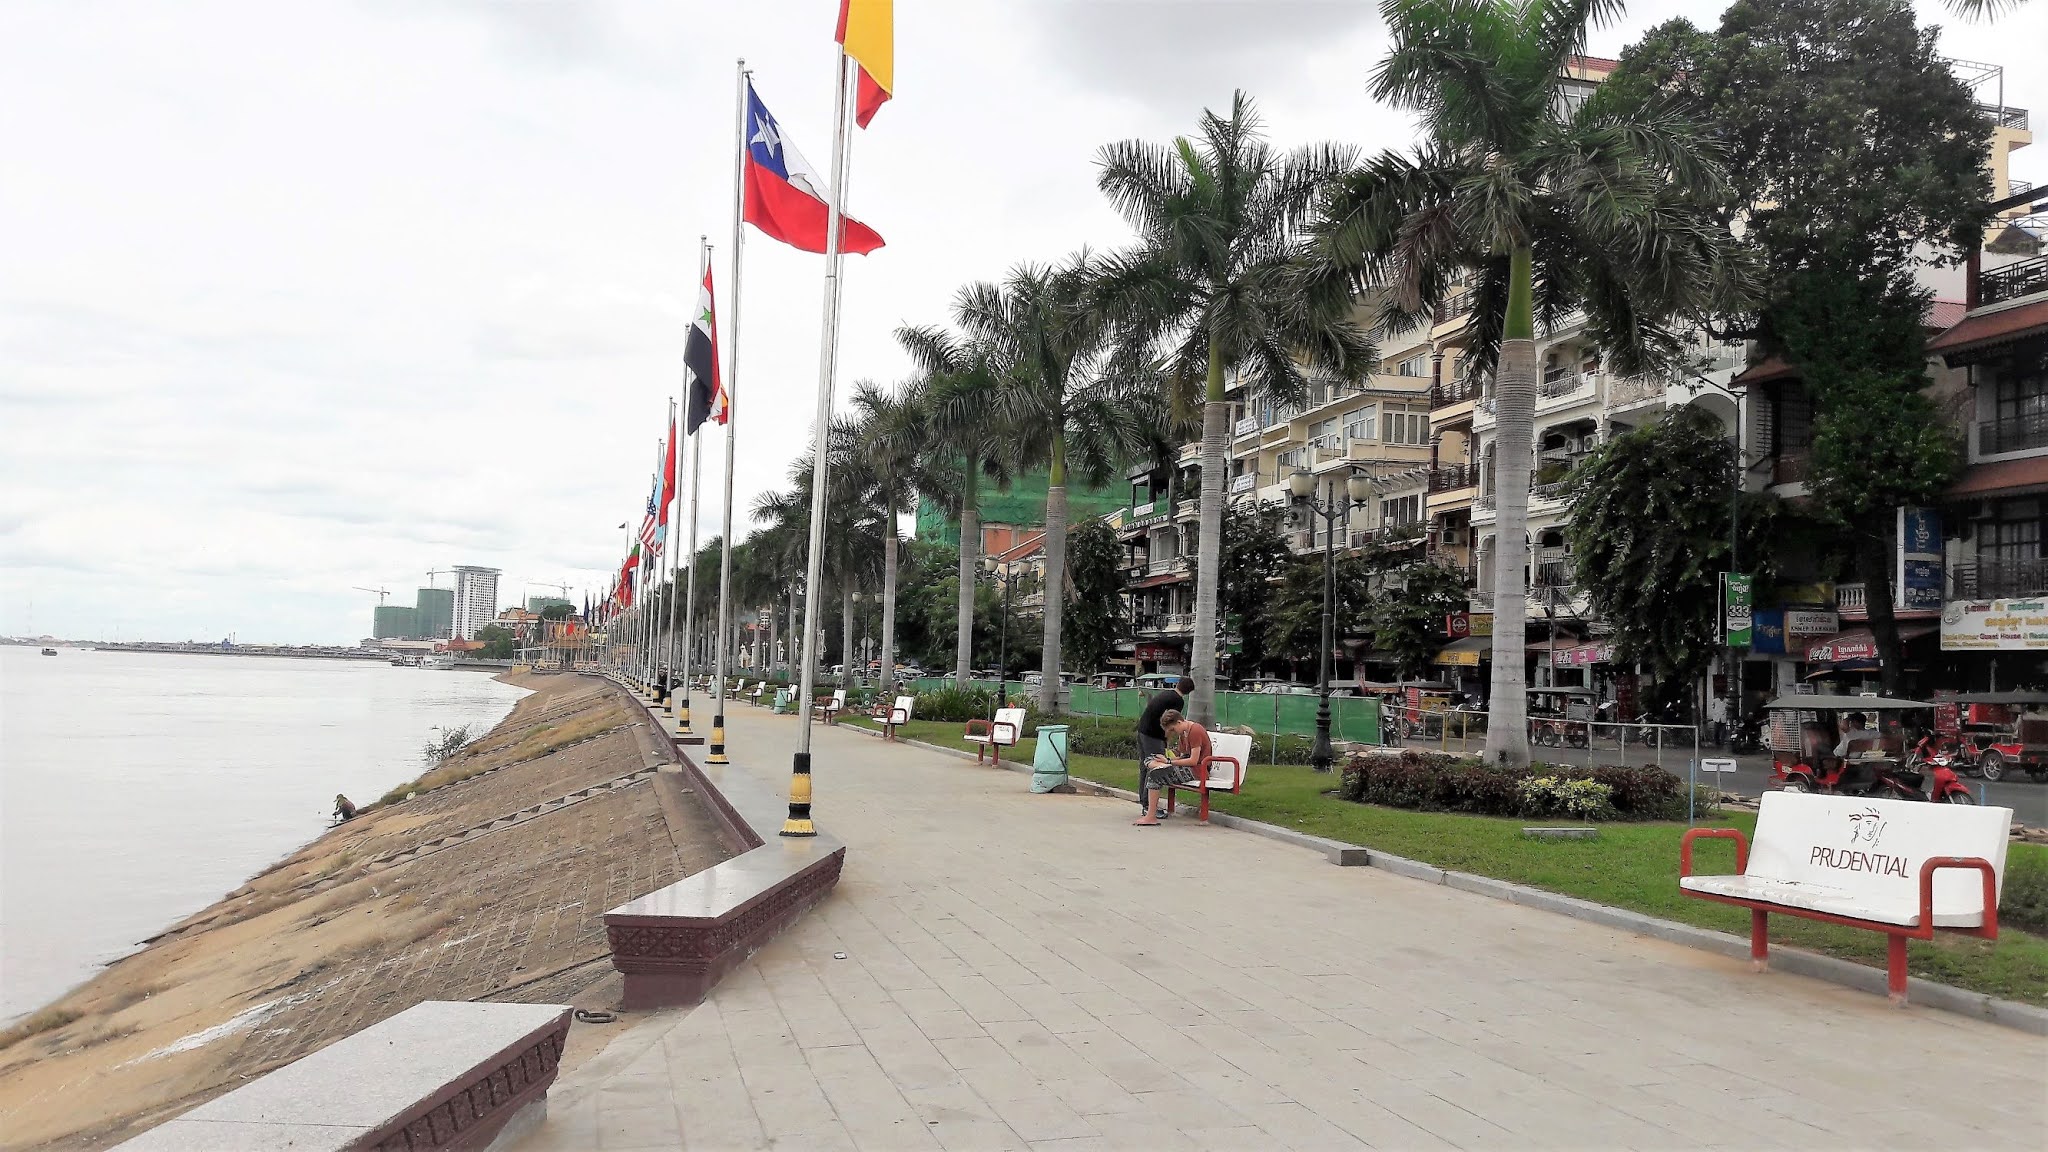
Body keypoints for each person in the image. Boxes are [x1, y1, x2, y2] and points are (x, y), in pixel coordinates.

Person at [1134, 710, 1212, 826]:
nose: (1173, 732)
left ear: (1179, 722)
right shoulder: (1183, 733)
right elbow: (1182, 756)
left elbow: (1193, 760)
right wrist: (1166, 760)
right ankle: (1159, 766)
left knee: (1154, 775)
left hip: (1198, 770)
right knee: (1150, 760)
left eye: (1173, 729)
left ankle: (1150, 816)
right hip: (1188, 767)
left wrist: (1169, 762)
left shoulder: (1195, 731)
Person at [1134, 676, 1192, 804]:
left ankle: (1144, 801)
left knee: (1145, 765)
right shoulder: (1178, 701)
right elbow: (1172, 724)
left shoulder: (1167, 693)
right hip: (1154, 735)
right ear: (1189, 692)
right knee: (1156, 768)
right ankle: (1149, 806)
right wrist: (1167, 741)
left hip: (1142, 730)